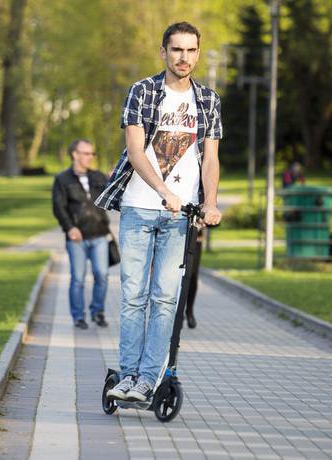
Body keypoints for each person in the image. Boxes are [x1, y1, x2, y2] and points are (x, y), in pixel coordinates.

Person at [95, 21, 222, 402]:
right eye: (176, 50)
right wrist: (164, 191)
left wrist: (211, 202)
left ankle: (148, 379)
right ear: (163, 52)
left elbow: (210, 158)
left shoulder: (208, 100)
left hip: (180, 217)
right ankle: (128, 375)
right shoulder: (143, 92)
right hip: (139, 207)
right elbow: (136, 151)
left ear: (198, 54)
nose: (183, 57)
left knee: (166, 298)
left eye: (190, 50)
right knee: (134, 296)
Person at [52, 139, 111, 330]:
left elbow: (111, 195)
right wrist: (70, 228)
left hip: (100, 235)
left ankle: (98, 312)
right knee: (77, 279)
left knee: (101, 275)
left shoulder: (99, 177)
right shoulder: (62, 179)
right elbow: (58, 207)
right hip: (76, 238)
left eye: (92, 153)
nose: (90, 157)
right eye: (86, 153)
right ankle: (78, 317)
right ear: (74, 154)